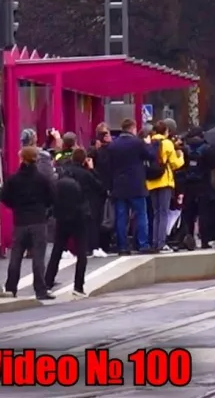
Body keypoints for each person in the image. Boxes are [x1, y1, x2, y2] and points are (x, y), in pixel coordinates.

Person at [45, 148, 106, 296]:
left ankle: (48, 282)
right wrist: (92, 170)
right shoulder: (85, 174)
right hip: (80, 216)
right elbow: (101, 189)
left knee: (57, 250)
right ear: (85, 159)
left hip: (62, 215)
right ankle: (78, 286)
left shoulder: (63, 171)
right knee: (81, 252)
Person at [0, 146, 56, 300]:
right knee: (38, 257)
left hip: (20, 222)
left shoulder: (13, 179)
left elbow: (4, 197)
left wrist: (16, 206)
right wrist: (43, 208)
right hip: (38, 221)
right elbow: (52, 197)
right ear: (36, 159)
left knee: (16, 256)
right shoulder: (42, 179)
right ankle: (40, 290)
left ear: (21, 159)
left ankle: (11, 288)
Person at [108, 118, 156, 255]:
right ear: (132, 128)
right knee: (141, 215)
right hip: (136, 185)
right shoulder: (137, 143)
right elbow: (151, 156)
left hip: (119, 186)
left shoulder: (113, 145)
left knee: (121, 217)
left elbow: (110, 166)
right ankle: (143, 245)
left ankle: (122, 246)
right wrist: (150, 145)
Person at [146, 120, 185, 252]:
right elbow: (175, 164)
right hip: (164, 181)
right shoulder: (167, 144)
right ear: (165, 131)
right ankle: (162, 243)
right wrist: (182, 158)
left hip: (151, 182)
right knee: (163, 213)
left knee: (156, 214)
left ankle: (155, 242)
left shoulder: (149, 143)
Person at [181, 128, 215, 249]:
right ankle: (205, 240)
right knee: (204, 213)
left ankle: (189, 238)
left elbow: (183, 166)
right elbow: (213, 165)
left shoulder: (185, 148)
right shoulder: (207, 148)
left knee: (189, 213)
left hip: (189, 185)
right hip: (203, 184)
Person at [87, 124, 113, 257]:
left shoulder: (101, 150)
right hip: (100, 187)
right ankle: (97, 244)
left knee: (103, 217)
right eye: (105, 134)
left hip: (102, 186)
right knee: (100, 217)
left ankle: (101, 244)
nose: (107, 136)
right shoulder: (96, 151)